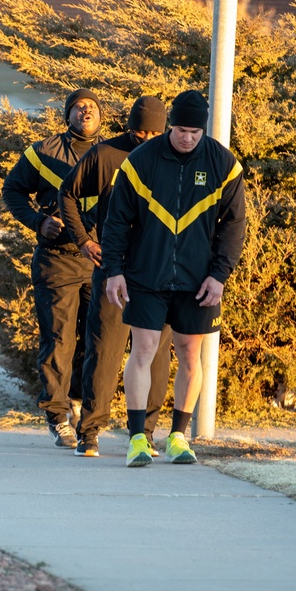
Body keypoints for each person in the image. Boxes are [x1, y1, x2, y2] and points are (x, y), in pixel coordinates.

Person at [101, 90, 246, 467]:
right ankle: (137, 438)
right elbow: (117, 221)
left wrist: (219, 276)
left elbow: (234, 226)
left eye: (195, 132)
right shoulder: (140, 162)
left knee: (190, 353)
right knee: (144, 350)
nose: (188, 138)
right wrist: (114, 270)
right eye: (181, 130)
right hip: (146, 273)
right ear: (170, 126)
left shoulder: (224, 164)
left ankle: (179, 437)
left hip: (198, 279)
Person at [58, 96, 172, 458]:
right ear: (128, 127)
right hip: (114, 269)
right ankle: (89, 433)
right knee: (104, 350)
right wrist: (84, 241)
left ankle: (146, 433)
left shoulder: (175, 159)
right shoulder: (106, 155)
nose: (147, 138)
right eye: (140, 131)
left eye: (155, 132)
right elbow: (68, 194)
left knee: (156, 354)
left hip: (158, 271)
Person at [2, 88, 104, 449]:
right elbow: (12, 190)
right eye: (78, 106)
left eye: (92, 106)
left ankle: (77, 401)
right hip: (55, 261)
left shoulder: (113, 154)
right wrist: (36, 222)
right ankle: (58, 416)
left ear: (101, 116)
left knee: (96, 339)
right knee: (59, 339)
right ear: (68, 115)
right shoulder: (42, 151)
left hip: (99, 263)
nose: (85, 110)